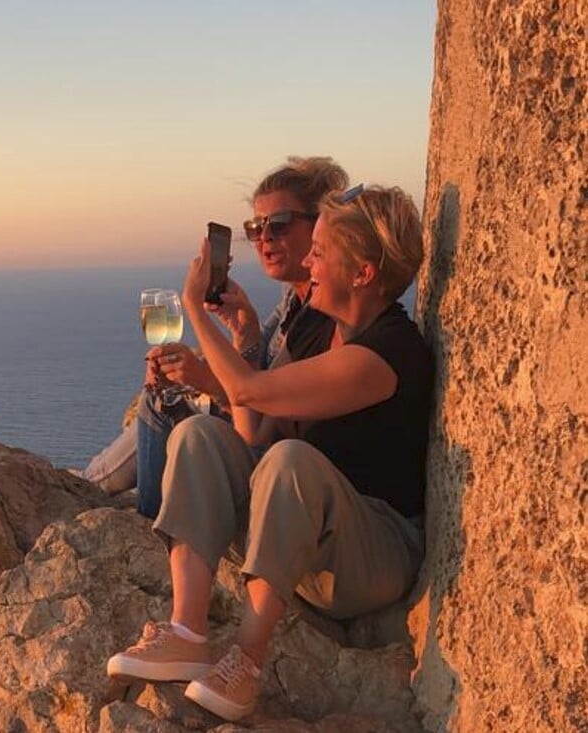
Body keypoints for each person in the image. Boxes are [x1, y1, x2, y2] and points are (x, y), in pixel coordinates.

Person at [104, 185, 432, 722]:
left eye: (321, 252)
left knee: (292, 461)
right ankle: (187, 631)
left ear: (365, 273)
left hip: (372, 553)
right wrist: (245, 335)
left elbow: (252, 393)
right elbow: (251, 422)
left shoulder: (389, 353)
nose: (307, 261)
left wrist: (195, 309)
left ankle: (247, 661)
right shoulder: (315, 331)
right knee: (199, 436)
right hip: (304, 539)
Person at [82, 157, 349, 515]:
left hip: (284, 462)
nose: (265, 238)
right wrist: (244, 330)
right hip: (265, 439)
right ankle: (88, 491)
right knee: (162, 399)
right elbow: (251, 366)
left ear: (318, 226)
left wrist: (195, 315)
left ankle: (111, 505)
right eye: (256, 227)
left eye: (280, 224)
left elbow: (262, 413)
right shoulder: (293, 300)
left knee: (162, 407)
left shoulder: (323, 312)